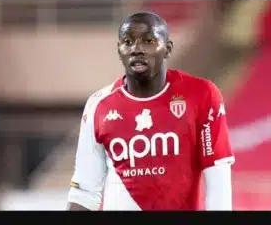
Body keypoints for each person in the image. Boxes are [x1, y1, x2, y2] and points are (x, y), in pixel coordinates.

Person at [66, 11, 235, 211]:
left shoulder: (202, 95)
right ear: (119, 50)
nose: (137, 49)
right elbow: (85, 190)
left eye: (148, 41)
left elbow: (218, 178)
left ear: (168, 49)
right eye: (128, 42)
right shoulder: (98, 105)